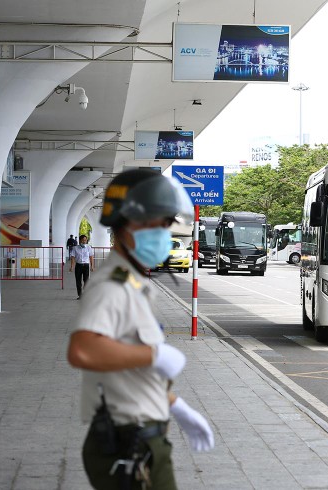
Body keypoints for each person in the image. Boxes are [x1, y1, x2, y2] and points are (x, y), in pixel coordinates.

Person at [66, 169, 214, 490]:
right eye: (154, 224)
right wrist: (155, 353)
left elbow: (130, 370)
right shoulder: (111, 285)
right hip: (127, 442)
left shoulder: (132, 282)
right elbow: (82, 350)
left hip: (140, 437)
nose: (162, 232)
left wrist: (176, 405)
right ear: (124, 223)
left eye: (165, 223)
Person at [69, 234, 94, 299]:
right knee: (78, 281)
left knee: (86, 281)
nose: (84, 241)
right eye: (83, 240)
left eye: (85, 240)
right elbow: (73, 257)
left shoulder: (89, 247)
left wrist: (92, 266)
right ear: (80, 240)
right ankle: (80, 295)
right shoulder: (75, 248)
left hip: (86, 266)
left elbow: (91, 257)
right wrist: (72, 266)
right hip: (78, 266)